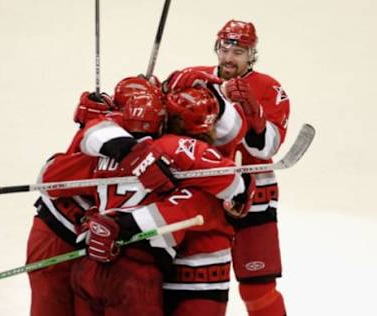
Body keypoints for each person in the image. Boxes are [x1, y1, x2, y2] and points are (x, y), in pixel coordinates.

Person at [39, 87, 255, 316]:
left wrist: (97, 219)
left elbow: (47, 180)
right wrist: (243, 189)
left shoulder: (101, 157)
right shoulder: (175, 147)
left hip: (88, 266)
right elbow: (235, 186)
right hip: (137, 272)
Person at [165, 20, 290, 315]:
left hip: (255, 196)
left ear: (252, 54)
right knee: (191, 288)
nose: (230, 57)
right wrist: (169, 83)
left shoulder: (270, 88)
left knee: (257, 286)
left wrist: (255, 115)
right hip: (205, 197)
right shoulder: (198, 79)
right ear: (217, 48)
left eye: (239, 51)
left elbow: (267, 148)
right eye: (225, 48)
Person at [26, 91, 113, 316]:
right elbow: (48, 179)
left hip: (100, 253)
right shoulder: (101, 138)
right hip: (55, 235)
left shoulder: (167, 150)